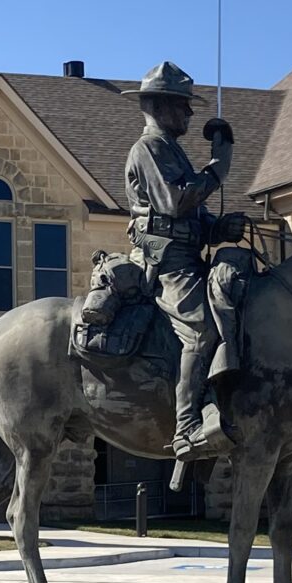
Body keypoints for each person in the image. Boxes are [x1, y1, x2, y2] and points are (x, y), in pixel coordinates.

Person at [122, 61, 249, 460]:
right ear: (160, 107)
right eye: (183, 106)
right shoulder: (147, 149)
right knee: (201, 330)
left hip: (189, 255)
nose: (191, 114)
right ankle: (186, 427)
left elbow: (190, 216)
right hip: (166, 266)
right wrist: (218, 168)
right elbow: (174, 203)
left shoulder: (170, 150)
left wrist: (218, 228)